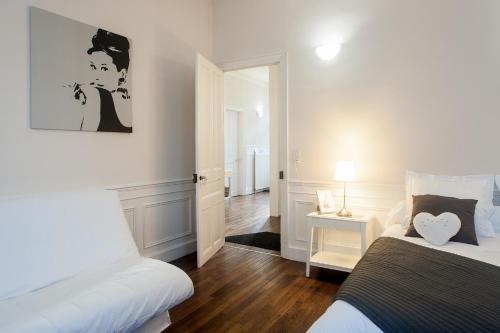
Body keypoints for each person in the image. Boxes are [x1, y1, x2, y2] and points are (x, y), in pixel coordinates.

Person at [68, 29, 132, 132]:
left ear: (122, 74)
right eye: (93, 67)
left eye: (104, 68)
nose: (96, 76)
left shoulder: (94, 95)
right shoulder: (128, 105)